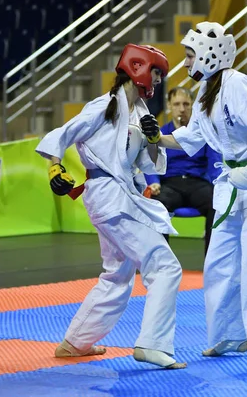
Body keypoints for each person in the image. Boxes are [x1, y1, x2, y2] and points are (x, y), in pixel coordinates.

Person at [144, 22, 247, 373]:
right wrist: (153, 136)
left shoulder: (239, 85)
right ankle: (230, 335)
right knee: (219, 264)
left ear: (212, 55)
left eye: (190, 55)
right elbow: (189, 140)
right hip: (230, 184)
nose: (186, 62)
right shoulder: (205, 94)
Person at [35, 44, 186, 370]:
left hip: (122, 197)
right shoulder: (103, 106)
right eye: (156, 73)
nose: (158, 81)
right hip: (108, 196)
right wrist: (54, 167)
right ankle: (152, 344)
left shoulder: (142, 113)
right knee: (165, 266)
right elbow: (62, 134)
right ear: (139, 68)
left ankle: (76, 342)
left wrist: (154, 139)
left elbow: (153, 164)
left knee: (117, 275)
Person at [144, 87, 221, 254]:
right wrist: (154, 183)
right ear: (169, 106)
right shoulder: (160, 133)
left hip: (198, 184)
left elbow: (215, 163)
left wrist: (219, 185)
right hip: (170, 184)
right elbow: (150, 162)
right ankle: (161, 261)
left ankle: (212, 260)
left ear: (193, 106)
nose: (182, 109)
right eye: (177, 104)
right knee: (157, 205)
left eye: (186, 104)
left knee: (218, 202)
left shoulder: (203, 133)